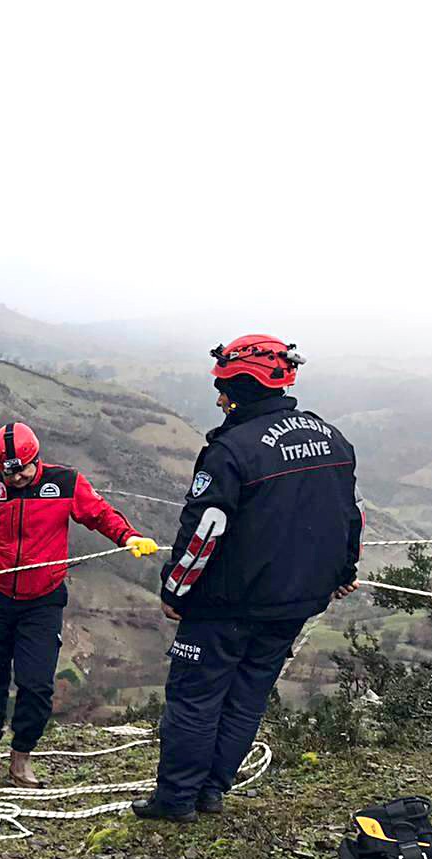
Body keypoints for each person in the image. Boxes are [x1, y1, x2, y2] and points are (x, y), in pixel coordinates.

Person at [133, 335, 363, 822]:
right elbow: (350, 518)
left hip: (225, 605)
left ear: (243, 385)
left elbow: (204, 533)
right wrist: (343, 573)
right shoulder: (333, 439)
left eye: (224, 388)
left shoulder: (231, 451)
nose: (219, 399)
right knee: (247, 697)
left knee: (195, 699)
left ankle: (176, 800)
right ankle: (212, 793)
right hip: (294, 604)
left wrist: (175, 589)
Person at [0, 422, 158, 786]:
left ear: (36, 459)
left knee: (36, 683)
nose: (19, 477)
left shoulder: (66, 483)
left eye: (24, 468)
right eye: (10, 472)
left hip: (43, 601)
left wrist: (129, 536)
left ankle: (21, 756)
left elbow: (99, 514)